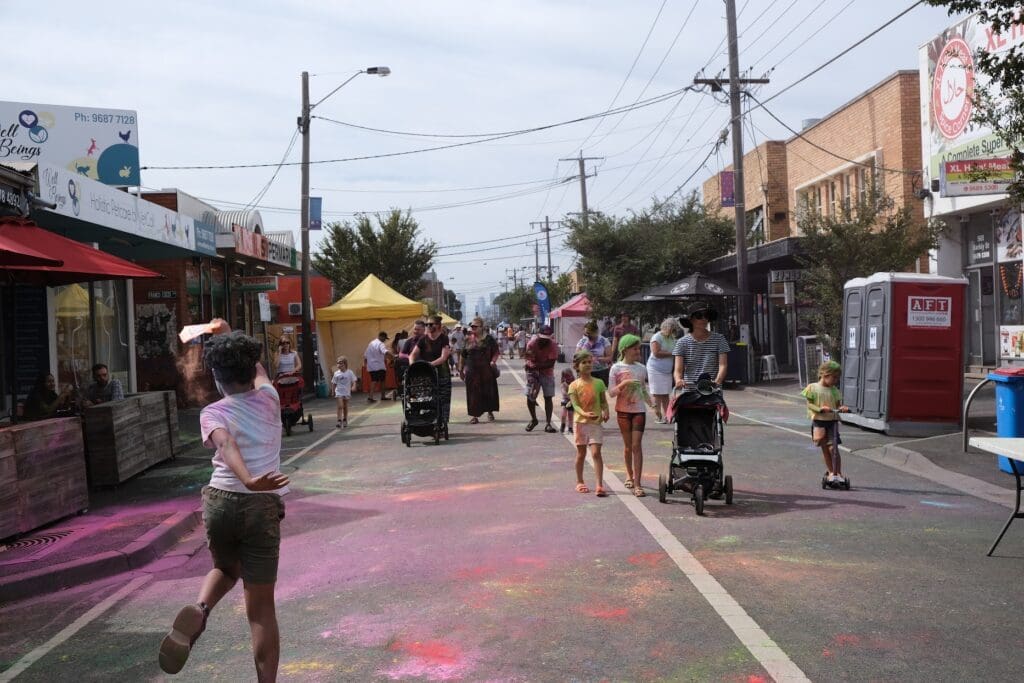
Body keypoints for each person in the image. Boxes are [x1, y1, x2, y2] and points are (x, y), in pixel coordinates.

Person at [159, 320, 289, 680]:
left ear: (216, 376)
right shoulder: (270, 398)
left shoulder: (212, 412)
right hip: (260, 504)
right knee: (261, 609)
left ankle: (200, 609)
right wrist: (252, 481)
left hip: (219, 500)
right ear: (252, 370)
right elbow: (257, 368)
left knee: (226, 568)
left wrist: (242, 478)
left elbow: (225, 443)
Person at [608, 334, 655, 496]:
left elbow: (643, 389)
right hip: (622, 412)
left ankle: (638, 483)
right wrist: (624, 383)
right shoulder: (616, 368)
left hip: (639, 411)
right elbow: (611, 393)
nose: (638, 350)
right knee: (628, 447)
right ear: (625, 349)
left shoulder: (641, 368)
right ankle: (629, 475)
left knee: (636, 446)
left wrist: (653, 405)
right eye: (634, 348)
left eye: (638, 347)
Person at [568, 349, 609, 497]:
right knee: (581, 453)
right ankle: (580, 481)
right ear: (577, 366)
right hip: (580, 423)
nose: (587, 365)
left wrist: (606, 411)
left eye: (589, 362)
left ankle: (599, 485)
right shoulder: (573, 385)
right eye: (584, 362)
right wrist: (584, 413)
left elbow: (603, 402)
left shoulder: (599, 383)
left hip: (596, 423)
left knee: (596, 453)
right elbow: (575, 405)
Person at [801, 360, 850, 484]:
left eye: (837, 378)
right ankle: (831, 472)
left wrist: (842, 408)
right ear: (825, 374)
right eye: (834, 377)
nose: (835, 381)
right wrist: (820, 409)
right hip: (819, 421)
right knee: (824, 448)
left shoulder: (834, 390)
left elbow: (839, 405)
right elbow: (809, 404)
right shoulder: (812, 387)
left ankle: (838, 474)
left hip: (832, 421)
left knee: (833, 448)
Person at [673, 302, 730, 390]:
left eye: (706, 316)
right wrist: (678, 380)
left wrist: (717, 382)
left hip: (712, 390)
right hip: (689, 390)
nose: (704, 319)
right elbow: (678, 369)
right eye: (699, 316)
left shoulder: (719, 339)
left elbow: (723, 365)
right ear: (691, 319)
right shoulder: (682, 342)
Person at [410, 314, 452, 426]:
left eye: (430, 324)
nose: (428, 326)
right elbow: (412, 355)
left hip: (442, 374)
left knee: (443, 401)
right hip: (427, 375)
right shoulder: (423, 339)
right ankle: (427, 422)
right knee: (426, 399)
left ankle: (443, 424)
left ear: (438, 326)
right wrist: (412, 366)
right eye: (426, 324)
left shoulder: (444, 338)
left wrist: (430, 364)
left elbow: (443, 357)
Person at [459, 316, 499, 423]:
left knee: (488, 392)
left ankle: (490, 412)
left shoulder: (488, 339)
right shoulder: (467, 339)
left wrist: (493, 361)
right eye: (472, 326)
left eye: (475, 326)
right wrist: (460, 370)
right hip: (472, 371)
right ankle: (474, 415)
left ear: (482, 327)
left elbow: (496, 352)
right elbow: (463, 355)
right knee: (473, 393)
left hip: (486, 370)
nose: (473, 328)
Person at [524, 324, 560, 432]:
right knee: (530, 396)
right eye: (543, 339)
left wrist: (536, 365)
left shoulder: (553, 345)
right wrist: (531, 366)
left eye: (547, 339)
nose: (545, 341)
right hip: (533, 371)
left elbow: (551, 363)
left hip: (547, 372)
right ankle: (534, 419)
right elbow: (528, 358)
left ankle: (548, 424)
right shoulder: (532, 343)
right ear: (538, 335)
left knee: (548, 397)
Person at [647, 317, 681, 423]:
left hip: (666, 370)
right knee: (657, 394)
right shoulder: (656, 337)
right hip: (655, 369)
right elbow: (656, 353)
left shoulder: (671, 338)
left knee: (666, 394)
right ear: (667, 327)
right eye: (672, 329)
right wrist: (672, 353)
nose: (673, 332)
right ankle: (658, 416)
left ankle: (668, 416)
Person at [576, 320, 613, 386]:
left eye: (589, 333)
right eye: (586, 333)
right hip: (586, 371)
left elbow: (609, 358)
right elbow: (577, 356)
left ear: (596, 331)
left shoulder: (604, 341)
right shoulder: (582, 341)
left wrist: (598, 359)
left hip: (601, 372)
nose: (587, 335)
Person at [364, 331, 392, 402]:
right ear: (381, 336)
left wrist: (365, 364)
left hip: (371, 366)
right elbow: (385, 351)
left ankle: (371, 396)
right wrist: (393, 356)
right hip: (379, 365)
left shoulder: (371, 343)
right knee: (382, 380)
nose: (384, 340)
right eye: (384, 338)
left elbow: (365, 355)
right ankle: (381, 396)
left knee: (374, 380)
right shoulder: (380, 344)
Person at [332, 356, 358, 428]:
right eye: (338, 363)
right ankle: (339, 420)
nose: (339, 365)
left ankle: (345, 419)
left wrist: (354, 386)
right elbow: (334, 383)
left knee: (345, 406)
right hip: (339, 391)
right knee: (340, 406)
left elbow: (354, 380)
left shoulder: (349, 372)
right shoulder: (336, 373)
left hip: (346, 392)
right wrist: (333, 391)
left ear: (345, 364)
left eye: (341, 363)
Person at [558, 367, 575, 434]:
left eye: (569, 376)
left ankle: (570, 427)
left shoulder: (574, 383)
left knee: (571, 415)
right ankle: (563, 425)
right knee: (563, 414)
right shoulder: (564, 384)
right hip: (565, 401)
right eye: (566, 376)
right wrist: (570, 397)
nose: (568, 378)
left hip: (571, 401)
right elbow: (564, 393)